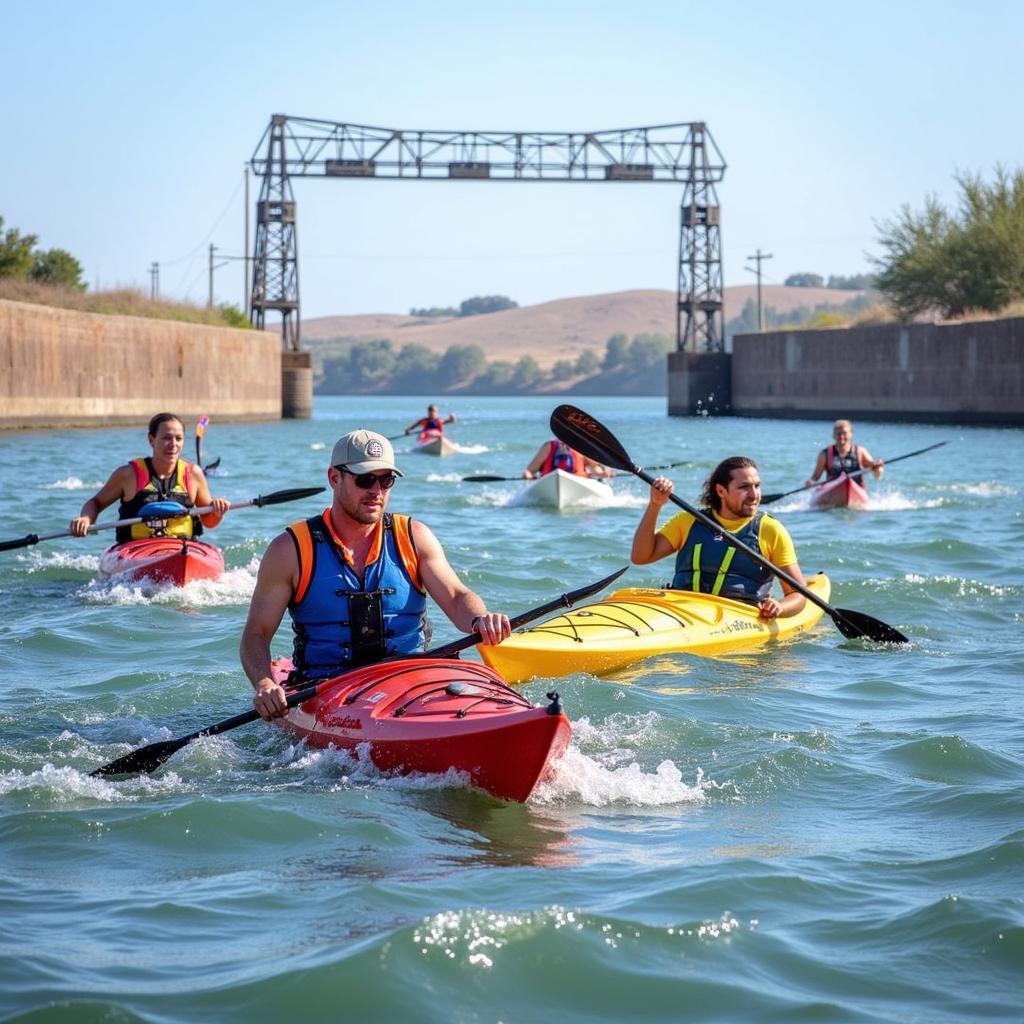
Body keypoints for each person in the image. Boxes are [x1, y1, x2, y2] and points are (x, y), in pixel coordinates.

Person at [241, 428, 512, 721]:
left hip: (411, 682)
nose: (377, 491)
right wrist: (265, 683)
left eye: (386, 480)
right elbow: (256, 634)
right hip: (326, 690)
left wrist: (479, 619)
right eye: (365, 479)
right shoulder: (290, 550)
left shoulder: (414, 537)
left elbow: (458, 597)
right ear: (334, 478)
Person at [631, 456, 807, 620]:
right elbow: (641, 557)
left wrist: (779, 607)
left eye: (757, 486)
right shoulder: (688, 521)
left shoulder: (770, 530)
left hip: (738, 619)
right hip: (683, 611)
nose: (754, 495)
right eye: (744, 487)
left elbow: (798, 595)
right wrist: (655, 505)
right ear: (721, 491)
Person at [69, 412, 229, 542]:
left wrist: (217, 510)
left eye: (178, 439)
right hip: (137, 550)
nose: (173, 444)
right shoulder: (128, 474)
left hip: (183, 549)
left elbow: (209, 521)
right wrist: (85, 519)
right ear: (151, 440)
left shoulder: (193, 474)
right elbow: (95, 502)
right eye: (166, 438)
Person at [805, 419, 884, 489]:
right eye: (838, 434)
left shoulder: (860, 451)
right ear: (833, 435)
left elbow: (873, 468)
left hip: (857, 489)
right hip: (833, 490)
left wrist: (877, 466)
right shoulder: (824, 454)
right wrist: (811, 482)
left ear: (851, 435)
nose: (841, 436)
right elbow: (815, 477)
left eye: (844, 433)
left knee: (879, 469)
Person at [523, 439, 614, 480]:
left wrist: (603, 474)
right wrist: (528, 474)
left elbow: (595, 469)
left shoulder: (583, 448)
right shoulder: (548, 446)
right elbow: (531, 470)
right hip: (550, 481)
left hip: (578, 481)